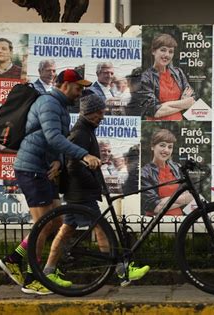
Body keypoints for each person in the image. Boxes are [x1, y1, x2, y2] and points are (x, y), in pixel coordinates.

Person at [0, 69, 101, 295]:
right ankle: (32, 278)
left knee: (55, 222)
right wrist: (84, 155)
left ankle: (15, 259)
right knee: (43, 225)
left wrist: (57, 161)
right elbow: (53, 137)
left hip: (42, 169)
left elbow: (51, 141)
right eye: (78, 88)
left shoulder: (61, 106)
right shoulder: (49, 103)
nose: (80, 92)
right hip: (31, 168)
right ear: (64, 85)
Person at [45, 94, 149, 287]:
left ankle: (48, 271)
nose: (102, 116)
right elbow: (74, 166)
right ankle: (122, 270)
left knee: (67, 230)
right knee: (102, 228)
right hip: (81, 192)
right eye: (100, 112)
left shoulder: (86, 130)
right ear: (90, 113)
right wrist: (94, 185)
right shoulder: (81, 133)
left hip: (78, 191)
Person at [140, 34, 195, 120]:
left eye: (170, 51)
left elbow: (192, 100)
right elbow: (155, 111)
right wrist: (183, 103)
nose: (167, 55)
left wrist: (165, 105)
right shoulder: (145, 78)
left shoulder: (178, 73)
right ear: (153, 51)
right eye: (163, 50)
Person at [141, 129, 193, 216]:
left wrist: (165, 201)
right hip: (156, 222)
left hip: (180, 220)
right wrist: (183, 199)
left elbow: (191, 195)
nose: (166, 150)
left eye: (170, 147)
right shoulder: (144, 173)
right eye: (162, 145)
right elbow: (156, 207)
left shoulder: (177, 167)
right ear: (152, 146)